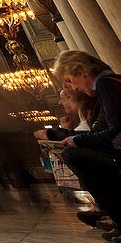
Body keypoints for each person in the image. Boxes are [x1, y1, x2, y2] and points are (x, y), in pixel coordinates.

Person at [52, 50, 121, 240]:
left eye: (69, 80)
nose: (71, 88)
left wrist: (77, 140)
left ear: (81, 71)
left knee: (72, 154)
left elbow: (117, 135)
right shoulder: (111, 82)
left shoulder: (105, 84)